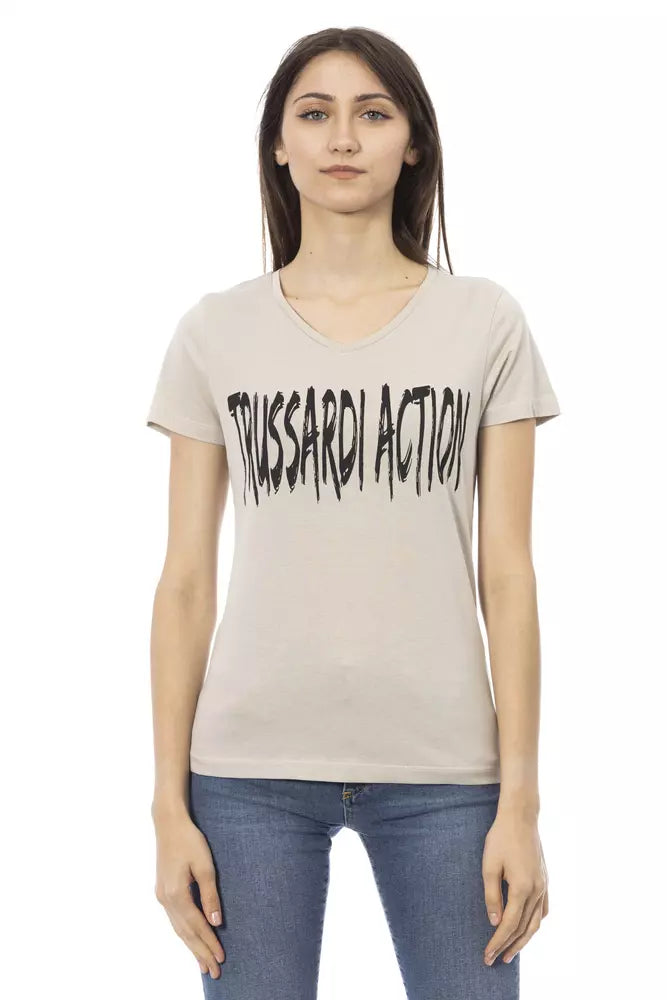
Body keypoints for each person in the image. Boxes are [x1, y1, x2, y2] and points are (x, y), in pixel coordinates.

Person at [145, 26, 560, 1000]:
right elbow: (185, 582)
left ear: (412, 143)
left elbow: (507, 573)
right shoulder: (214, 332)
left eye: (373, 113)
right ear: (278, 143)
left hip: (448, 775)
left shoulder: (484, 322)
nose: (342, 137)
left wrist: (521, 800)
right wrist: (167, 806)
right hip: (244, 774)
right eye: (314, 113)